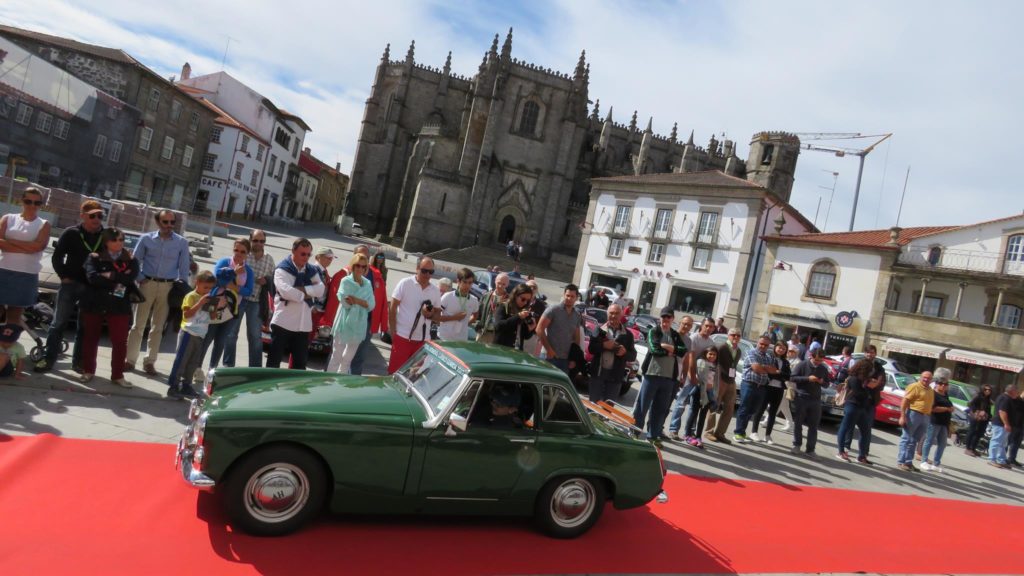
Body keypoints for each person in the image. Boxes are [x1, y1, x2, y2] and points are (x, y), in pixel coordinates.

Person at [35, 199, 104, 373]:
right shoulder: (71, 233)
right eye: (93, 216)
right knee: (58, 323)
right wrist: (63, 276)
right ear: (83, 216)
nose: (97, 219)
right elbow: (57, 257)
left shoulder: (106, 235)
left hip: (91, 288)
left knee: (85, 326)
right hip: (70, 285)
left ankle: (78, 362)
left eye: (100, 215)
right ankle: (48, 359)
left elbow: (112, 259)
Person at [126, 210, 190, 376]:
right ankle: (130, 360)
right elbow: (134, 261)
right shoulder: (146, 239)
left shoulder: (181, 242)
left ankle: (150, 361)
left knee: (158, 326)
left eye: (172, 222)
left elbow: (184, 268)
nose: (169, 226)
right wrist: (140, 278)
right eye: (165, 222)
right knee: (138, 324)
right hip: (147, 284)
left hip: (168, 287)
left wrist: (183, 289)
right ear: (157, 222)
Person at [80, 228, 140, 387]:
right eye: (115, 240)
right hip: (95, 303)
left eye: (122, 240)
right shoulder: (94, 258)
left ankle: (118, 375)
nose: (119, 243)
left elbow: (129, 279)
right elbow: (92, 278)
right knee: (90, 338)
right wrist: (117, 280)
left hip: (119, 305)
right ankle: (88, 370)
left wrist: (109, 275)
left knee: (120, 341)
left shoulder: (131, 260)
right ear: (106, 241)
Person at [267, 238, 324, 370]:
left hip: (303, 325)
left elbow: (321, 290)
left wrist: (301, 290)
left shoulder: (311, 270)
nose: (306, 257)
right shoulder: (282, 269)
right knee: (273, 362)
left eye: (308, 254)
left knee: (300, 365)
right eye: (302, 254)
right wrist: (310, 292)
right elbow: (286, 292)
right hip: (283, 322)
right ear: (293, 251)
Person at [633, 307, 686, 444]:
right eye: (663, 317)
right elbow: (654, 349)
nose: (666, 320)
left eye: (669, 317)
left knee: (660, 409)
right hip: (652, 374)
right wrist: (670, 351)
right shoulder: (654, 331)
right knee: (642, 406)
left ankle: (653, 436)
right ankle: (635, 432)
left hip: (668, 378)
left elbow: (682, 351)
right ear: (660, 318)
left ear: (673, 319)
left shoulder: (675, 334)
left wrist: (669, 348)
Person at [0, 187, 51, 326]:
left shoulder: (44, 224)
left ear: (41, 204)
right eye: (28, 201)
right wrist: (28, 246)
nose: (32, 206)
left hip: (27, 275)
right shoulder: (8, 218)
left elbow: (37, 248)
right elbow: (0, 243)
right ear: (22, 201)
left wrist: (9, 241)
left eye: (37, 203)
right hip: (3, 271)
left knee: (14, 317)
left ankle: (8, 346)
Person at [203, 238, 253, 369]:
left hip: (232, 308)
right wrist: (233, 273)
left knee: (220, 341)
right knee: (207, 337)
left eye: (243, 251)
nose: (239, 254)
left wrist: (234, 287)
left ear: (247, 254)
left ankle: (211, 369)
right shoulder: (225, 262)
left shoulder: (248, 270)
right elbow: (215, 279)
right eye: (236, 250)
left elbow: (249, 291)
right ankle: (196, 367)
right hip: (214, 303)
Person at [387, 256, 441, 373]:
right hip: (402, 337)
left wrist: (430, 314)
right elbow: (393, 307)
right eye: (424, 271)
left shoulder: (435, 291)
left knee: (416, 377)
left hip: (423, 341)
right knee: (394, 374)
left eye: (431, 272)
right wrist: (392, 331)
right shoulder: (405, 283)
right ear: (417, 268)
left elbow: (437, 317)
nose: (427, 275)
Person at [230, 229, 275, 368]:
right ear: (250, 240)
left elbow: (274, 279)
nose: (259, 244)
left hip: (256, 302)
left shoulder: (269, 259)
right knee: (231, 334)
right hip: (239, 299)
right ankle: (228, 365)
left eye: (262, 241)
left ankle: (255, 369)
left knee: (255, 337)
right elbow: (231, 271)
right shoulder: (243, 254)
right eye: (255, 240)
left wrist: (267, 280)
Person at [166, 270, 215, 399]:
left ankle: (186, 385)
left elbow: (213, 317)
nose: (207, 290)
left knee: (193, 363)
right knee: (181, 361)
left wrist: (216, 307)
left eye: (210, 288)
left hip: (200, 335)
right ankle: (173, 386)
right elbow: (187, 315)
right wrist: (200, 303)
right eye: (205, 287)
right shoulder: (191, 296)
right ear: (197, 283)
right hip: (188, 332)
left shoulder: (209, 299)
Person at [326, 253, 375, 373]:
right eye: (358, 265)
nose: (360, 269)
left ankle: (339, 387)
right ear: (353, 266)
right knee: (336, 357)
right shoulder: (345, 281)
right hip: (343, 323)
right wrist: (363, 302)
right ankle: (327, 383)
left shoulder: (367, 284)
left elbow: (372, 305)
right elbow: (345, 301)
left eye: (363, 267)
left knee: (347, 360)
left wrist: (356, 300)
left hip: (359, 324)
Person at [668, 317, 713, 445]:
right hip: (690, 376)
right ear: (702, 326)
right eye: (707, 326)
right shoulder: (693, 338)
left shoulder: (711, 342)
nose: (708, 329)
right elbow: (689, 358)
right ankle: (673, 429)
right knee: (681, 403)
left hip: (701, 380)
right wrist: (691, 376)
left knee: (695, 406)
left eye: (711, 327)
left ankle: (689, 432)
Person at [835, 357, 882, 465]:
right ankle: (841, 451)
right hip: (852, 406)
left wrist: (870, 385)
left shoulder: (863, 379)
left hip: (861, 408)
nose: (871, 372)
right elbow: (859, 393)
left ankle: (862, 456)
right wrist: (868, 389)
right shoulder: (854, 378)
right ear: (863, 369)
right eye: (869, 370)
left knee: (866, 431)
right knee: (845, 428)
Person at [586, 303, 636, 403]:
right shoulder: (599, 330)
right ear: (607, 314)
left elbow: (633, 356)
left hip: (615, 376)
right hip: (598, 374)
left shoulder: (628, 334)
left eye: (617, 313)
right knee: (592, 405)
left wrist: (624, 353)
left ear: (621, 315)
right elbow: (591, 349)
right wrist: (603, 346)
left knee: (608, 409)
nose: (614, 315)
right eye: (611, 313)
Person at [733, 335, 779, 443]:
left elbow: (774, 370)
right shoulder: (751, 352)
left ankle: (742, 432)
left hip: (762, 387)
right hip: (749, 384)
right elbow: (756, 368)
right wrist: (765, 368)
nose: (763, 346)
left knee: (753, 410)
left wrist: (763, 368)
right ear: (757, 343)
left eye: (765, 345)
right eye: (761, 343)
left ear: (768, 346)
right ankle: (738, 433)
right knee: (744, 408)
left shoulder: (769, 356)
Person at [789, 348, 829, 458]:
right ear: (811, 356)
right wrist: (808, 378)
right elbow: (792, 377)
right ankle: (797, 445)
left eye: (820, 360)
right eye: (816, 360)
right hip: (802, 397)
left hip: (816, 399)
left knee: (814, 425)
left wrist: (822, 382)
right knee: (798, 422)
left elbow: (827, 384)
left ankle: (810, 449)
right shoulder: (802, 364)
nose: (818, 362)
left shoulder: (823, 368)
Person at [536, 284, 583, 373]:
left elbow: (577, 338)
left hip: (565, 360)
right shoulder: (553, 310)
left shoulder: (577, 315)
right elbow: (539, 329)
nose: (569, 298)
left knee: (559, 387)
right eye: (567, 295)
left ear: (576, 298)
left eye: (572, 296)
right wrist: (549, 350)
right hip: (548, 357)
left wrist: (573, 358)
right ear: (564, 295)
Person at [705, 328, 742, 443]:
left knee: (730, 409)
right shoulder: (721, 347)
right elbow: (714, 363)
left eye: (738, 335)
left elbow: (733, 365)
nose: (735, 337)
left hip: (731, 380)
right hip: (720, 379)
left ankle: (720, 433)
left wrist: (733, 378)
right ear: (728, 335)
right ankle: (709, 432)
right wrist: (715, 378)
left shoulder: (739, 350)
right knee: (714, 405)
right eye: (733, 335)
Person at [751, 341, 792, 445]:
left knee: (773, 413)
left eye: (783, 348)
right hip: (767, 387)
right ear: (775, 347)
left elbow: (788, 376)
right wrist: (777, 373)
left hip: (779, 389)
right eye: (779, 347)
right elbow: (768, 372)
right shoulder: (769, 358)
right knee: (760, 410)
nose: (781, 350)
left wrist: (777, 372)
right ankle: (754, 432)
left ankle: (768, 435)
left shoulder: (786, 362)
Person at [896, 371, 935, 471]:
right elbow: (905, 401)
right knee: (906, 438)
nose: (926, 379)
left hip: (925, 416)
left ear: (931, 380)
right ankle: (901, 461)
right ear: (920, 377)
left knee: (914, 441)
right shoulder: (914, 386)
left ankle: (908, 462)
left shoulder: (930, 390)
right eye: (924, 377)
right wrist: (902, 416)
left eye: (929, 378)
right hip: (913, 414)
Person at [921, 370, 955, 472]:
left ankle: (936, 463)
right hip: (934, 421)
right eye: (941, 384)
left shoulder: (946, 395)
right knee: (929, 441)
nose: (943, 386)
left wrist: (951, 408)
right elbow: (933, 408)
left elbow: (948, 405)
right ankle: (924, 461)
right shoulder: (933, 394)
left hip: (944, 423)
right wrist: (946, 409)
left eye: (945, 384)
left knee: (942, 444)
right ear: (936, 384)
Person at [437, 267, 479, 342]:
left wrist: (466, 323)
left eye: (470, 283)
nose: (467, 285)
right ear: (458, 282)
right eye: (465, 282)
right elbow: (436, 317)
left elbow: (475, 316)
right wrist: (454, 317)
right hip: (444, 338)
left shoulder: (474, 300)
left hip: (461, 340)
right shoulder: (448, 296)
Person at [493, 283, 536, 350]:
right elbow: (498, 326)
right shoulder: (503, 307)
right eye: (523, 299)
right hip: (501, 349)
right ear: (515, 295)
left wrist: (530, 329)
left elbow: (525, 336)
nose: (525, 303)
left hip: (516, 351)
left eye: (528, 301)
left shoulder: (525, 311)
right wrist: (518, 317)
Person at [989, 384, 1019, 469]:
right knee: (996, 441)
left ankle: (1001, 460)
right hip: (1000, 424)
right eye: (1016, 391)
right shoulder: (1005, 398)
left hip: (1003, 425)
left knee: (1002, 443)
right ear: (1012, 391)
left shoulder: (1007, 398)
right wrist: (1006, 424)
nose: (1017, 392)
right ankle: (992, 459)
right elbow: (1002, 412)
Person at [475, 273, 510, 344]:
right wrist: (478, 325)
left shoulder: (509, 300)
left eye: (503, 284)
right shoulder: (486, 296)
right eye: (499, 283)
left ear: (507, 285)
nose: (500, 286)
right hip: (483, 332)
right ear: (495, 281)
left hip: (497, 335)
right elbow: (479, 313)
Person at [965, 385, 993, 456]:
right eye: (985, 389)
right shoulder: (978, 397)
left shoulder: (988, 399)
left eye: (989, 390)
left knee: (979, 433)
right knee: (972, 431)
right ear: (982, 390)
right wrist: (978, 411)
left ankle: (973, 448)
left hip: (984, 419)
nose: (987, 391)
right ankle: (968, 448)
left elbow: (988, 409)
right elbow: (970, 404)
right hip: (975, 417)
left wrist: (989, 416)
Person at [369, 251, 390, 341]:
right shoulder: (370, 268)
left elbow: (384, 282)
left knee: (378, 313)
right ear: (375, 258)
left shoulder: (384, 269)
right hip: (372, 290)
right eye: (378, 258)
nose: (380, 260)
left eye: (382, 258)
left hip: (380, 291)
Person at [1008, 389, 1024, 467]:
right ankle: (1002, 458)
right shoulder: (1017, 400)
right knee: (1008, 441)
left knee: (1017, 443)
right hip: (1014, 425)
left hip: (1021, 426)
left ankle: (1012, 459)